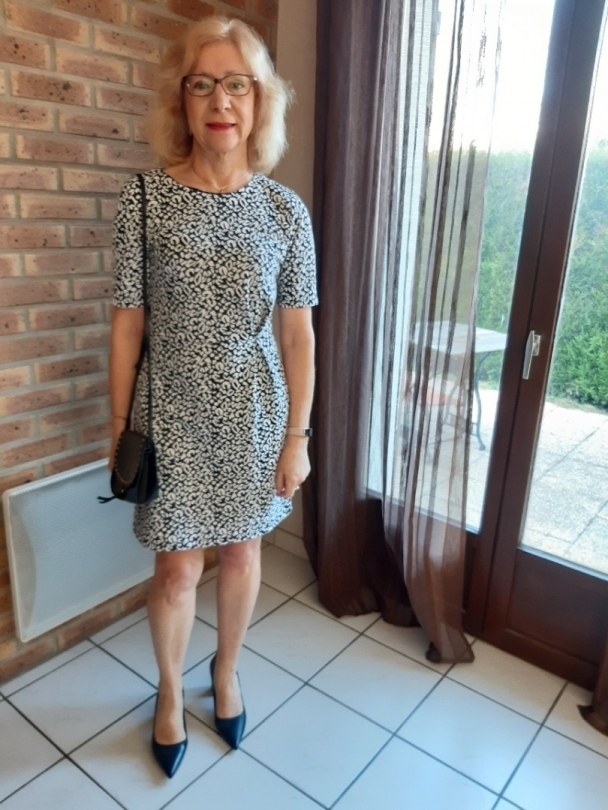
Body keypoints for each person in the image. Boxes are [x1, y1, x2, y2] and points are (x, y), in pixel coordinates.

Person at [109, 16, 317, 778]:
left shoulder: (285, 212)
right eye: (203, 84)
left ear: (260, 102)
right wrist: (119, 424)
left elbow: (297, 336)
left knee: (241, 552)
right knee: (174, 572)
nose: (220, 101)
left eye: (237, 85)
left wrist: (297, 436)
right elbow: (128, 324)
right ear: (182, 100)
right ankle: (169, 692)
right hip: (168, 413)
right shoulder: (143, 200)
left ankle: (226, 670)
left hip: (255, 414)